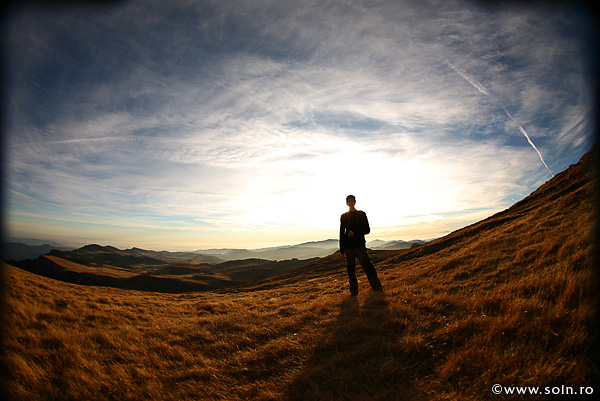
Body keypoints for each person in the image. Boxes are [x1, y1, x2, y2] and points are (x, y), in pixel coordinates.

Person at [339, 195, 383, 296]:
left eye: (352, 201)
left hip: (360, 246)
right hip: (348, 247)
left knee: (368, 267)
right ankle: (354, 292)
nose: (350, 203)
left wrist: (355, 232)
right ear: (346, 202)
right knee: (351, 270)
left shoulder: (361, 214)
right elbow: (341, 233)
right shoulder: (344, 216)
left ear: (355, 202)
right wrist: (342, 250)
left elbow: (367, 230)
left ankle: (377, 288)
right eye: (348, 201)